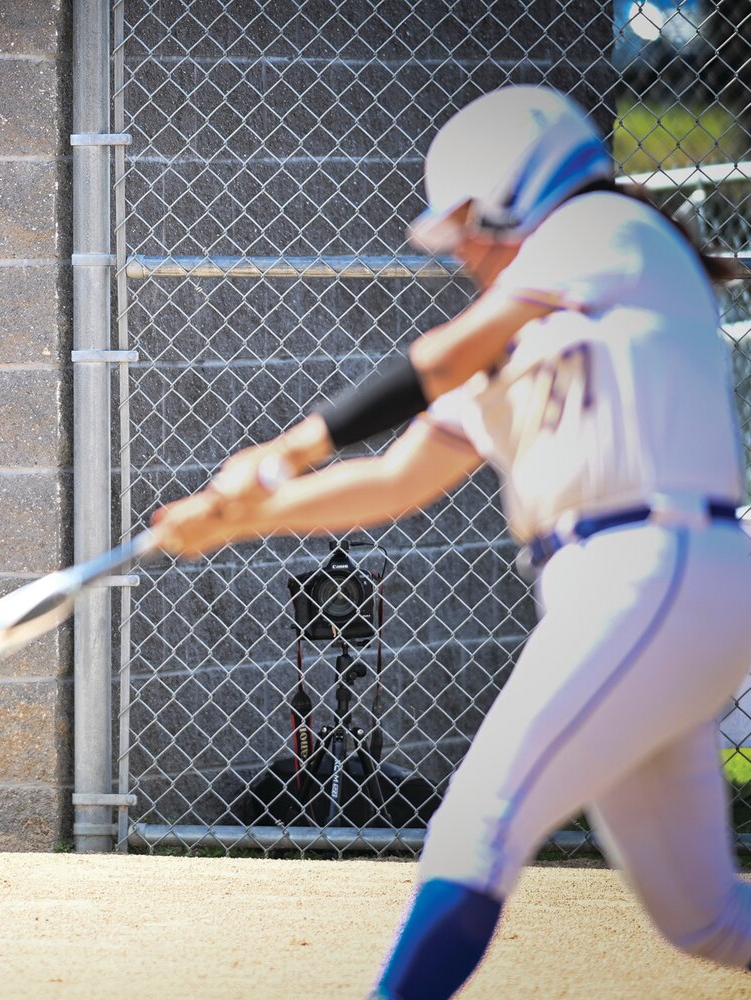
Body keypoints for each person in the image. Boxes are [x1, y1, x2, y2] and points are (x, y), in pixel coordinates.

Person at [152, 86, 751, 998]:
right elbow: (398, 481)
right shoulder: (535, 328)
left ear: (524, 189)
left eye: (471, 223)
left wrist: (285, 450)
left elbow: (438, 357)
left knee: (478, 818)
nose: (463, 249)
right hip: (634, 596)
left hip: (654, 568)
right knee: (703, 918)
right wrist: (240, 517)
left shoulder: (604, 233)